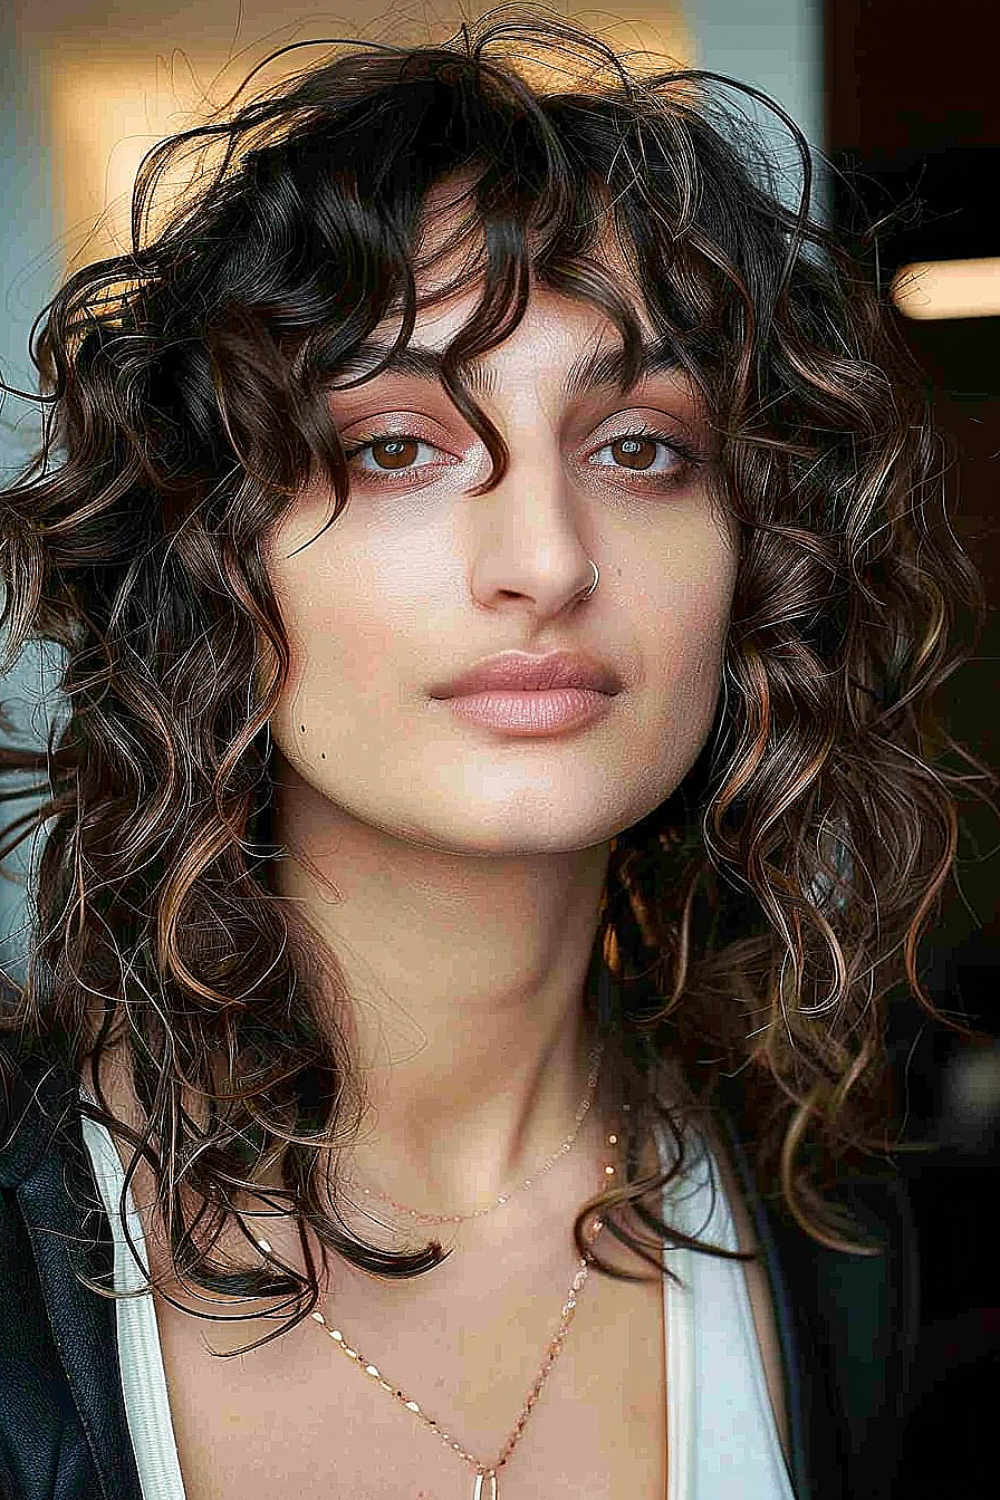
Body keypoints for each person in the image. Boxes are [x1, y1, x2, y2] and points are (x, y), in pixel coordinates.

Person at [0, 7, 995, 1499]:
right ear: (213, 558)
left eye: (640, 447)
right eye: (395, 445)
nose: (544, 557)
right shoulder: (23, 1260)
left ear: (752, 570)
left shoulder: (838, 1246)